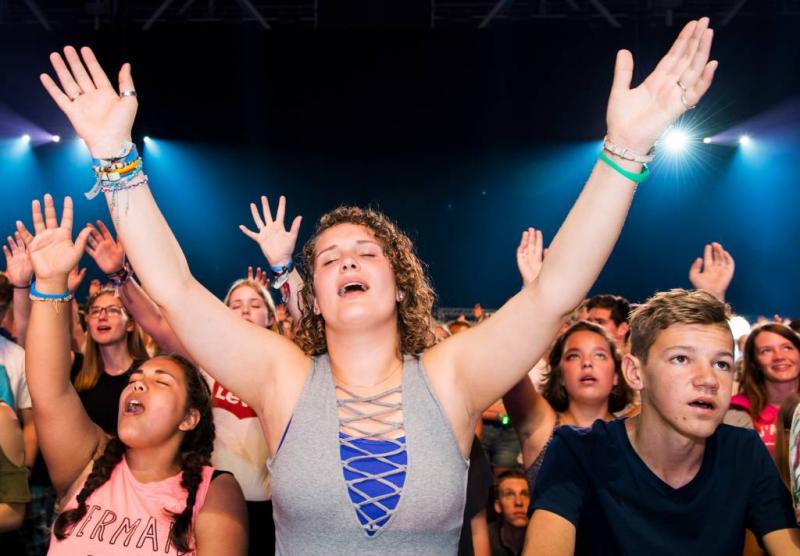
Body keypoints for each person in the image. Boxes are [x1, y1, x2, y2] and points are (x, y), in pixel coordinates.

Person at [39, 17, 717, 553]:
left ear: (400, 288)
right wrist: (115, 162)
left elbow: (552, 292)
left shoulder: (451, 377)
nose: (346, 262)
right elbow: (179, 293)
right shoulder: (283, 377)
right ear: (316, 294)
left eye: (366, 252)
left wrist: (625, 151)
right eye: (328, 259)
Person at [16, 196, 248, 555]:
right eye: (138, 377)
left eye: (161, 381)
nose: (139, 382)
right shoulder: (87, 464)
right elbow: (48, 390)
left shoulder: (214, 490)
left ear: (190, 417)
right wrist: (49, 280)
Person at [524, 289, 800, 555]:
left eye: (722, 364)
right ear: (634, 373)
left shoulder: (743, 451)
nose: (708, 379)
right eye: (681, 358)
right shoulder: (577, 451)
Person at [84, 218, 279, 554]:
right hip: (212, 499)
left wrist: (284, 268)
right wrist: (121, 277)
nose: (244, 311)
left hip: (272, 511)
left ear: (271, 317)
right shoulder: (210, 363)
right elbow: (157, 325)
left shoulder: (283, 370)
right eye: (235, 305)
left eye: (255, 305)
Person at [730, 323, 800, 455]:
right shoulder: (736, 411)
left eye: (787, 348)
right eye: (766, 351)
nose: (779, 357)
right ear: (754, 362)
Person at [489, 470, 529, 556]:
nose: (518, 502)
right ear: (498, 506)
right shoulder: (486, 539)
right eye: (509, 494)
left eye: (524, 494)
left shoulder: (545, 538)